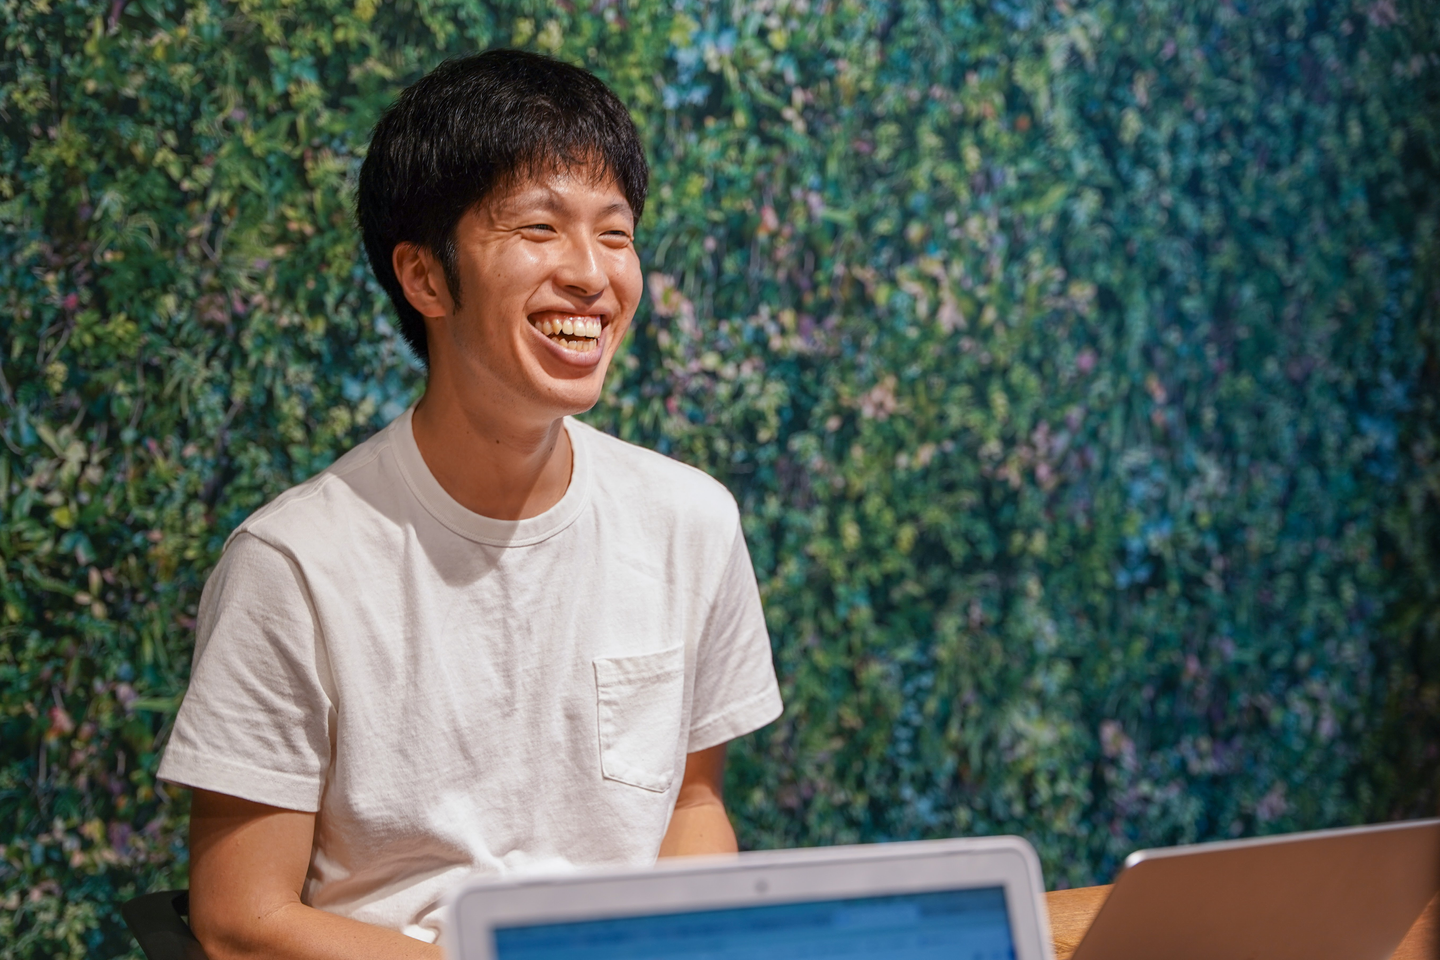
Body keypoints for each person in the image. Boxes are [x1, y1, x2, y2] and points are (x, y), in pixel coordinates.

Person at [156, 49, 783, 960]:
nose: (591, 275)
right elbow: (239, 923)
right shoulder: (292, 565)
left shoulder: (692, 521)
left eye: (615, 234)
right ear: (425, 278)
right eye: (539, 228)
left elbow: (692, 802)